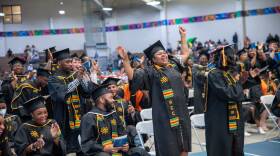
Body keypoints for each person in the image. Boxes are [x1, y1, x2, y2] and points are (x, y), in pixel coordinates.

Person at [117, 26, 191, 156]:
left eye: (164, 52)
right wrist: (125, 61)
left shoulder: (173, 65)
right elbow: (132, 76)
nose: (164, 54)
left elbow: (185, 55)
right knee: (169, 147)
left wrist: (183, 37)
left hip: (181, 112)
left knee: (183, 145)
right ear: (153, 59)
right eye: (159, 54)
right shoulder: (150, 72)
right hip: (164, 116)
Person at [80, 84, 149, 156]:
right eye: (111, 98)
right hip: (100, 152)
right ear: (102, 100)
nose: (113, 100)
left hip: (118, 151)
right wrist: (104, 148)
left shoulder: (113, 114)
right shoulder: (89, 117)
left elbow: (122, 133)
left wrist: (126, 145)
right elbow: (86, 143)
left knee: (139, 151)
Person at [48, 48, 92, 155]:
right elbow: (61, 93)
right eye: (67, 62)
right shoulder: (53, 79)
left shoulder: (74, 75)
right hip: (64, 115)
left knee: (80, 144)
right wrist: (77, 79)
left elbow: (86, 91)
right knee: (67, 145)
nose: (70, 64)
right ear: (58, 63)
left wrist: (83, 78)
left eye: (71, 61)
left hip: (78, 113)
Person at [204, 44, 245, 156]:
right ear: (222, 57)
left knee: (235, 147)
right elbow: (229, 94)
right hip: (219, 119)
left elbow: (237, 91)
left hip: (232, 118)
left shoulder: (227, 73)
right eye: (230, 55)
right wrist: (238, 84)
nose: (233, 58)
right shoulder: (214, 74)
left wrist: (247, 78)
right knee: (222, 148)